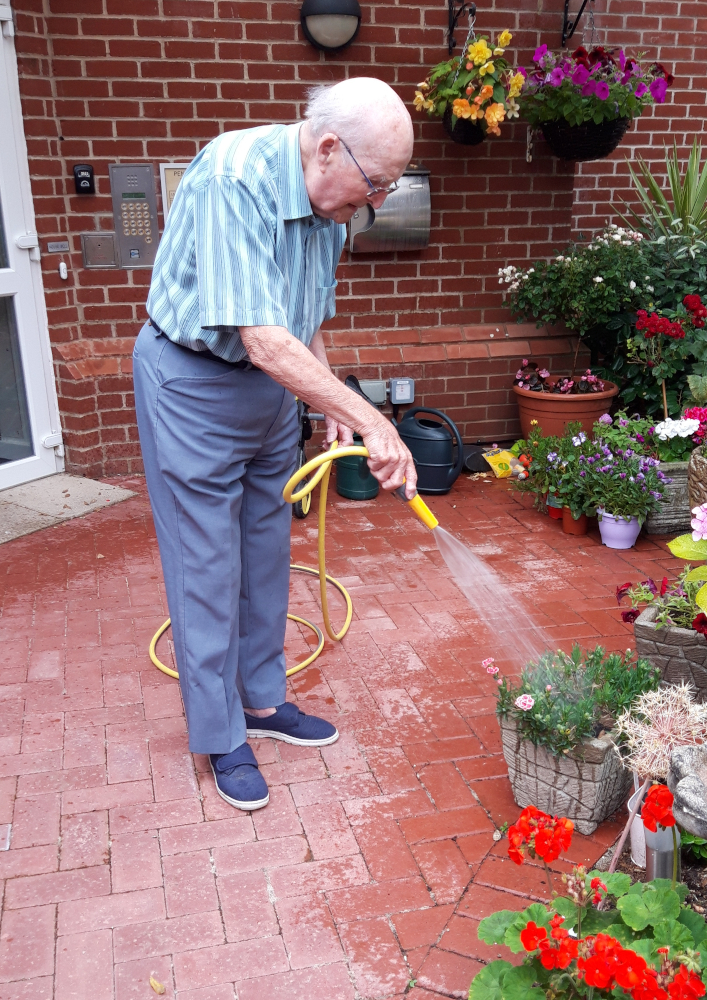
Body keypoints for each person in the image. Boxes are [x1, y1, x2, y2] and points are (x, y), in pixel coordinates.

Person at [133, 78, 418, 812]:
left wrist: (326, 395)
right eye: (375, 183)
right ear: (328, 148)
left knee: (266, 550)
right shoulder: (234, 179)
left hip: (269, 387)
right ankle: (220, 734)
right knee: (206, 564)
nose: (376, 203)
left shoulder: (331, 201)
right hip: (194, 380)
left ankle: (262, 701)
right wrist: (375, 419)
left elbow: (303, 316)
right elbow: (260, 336)